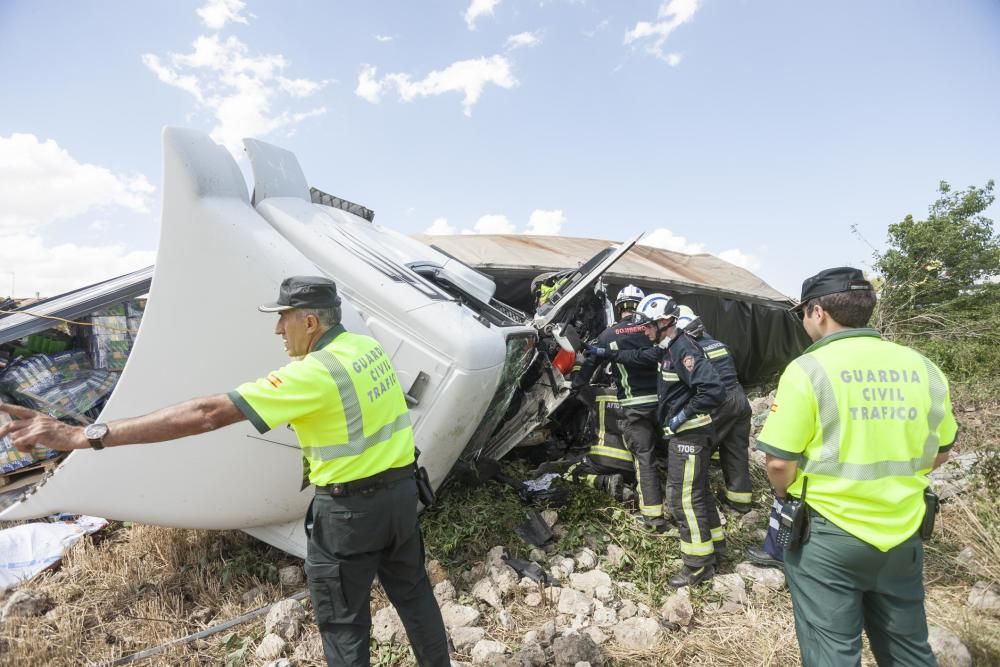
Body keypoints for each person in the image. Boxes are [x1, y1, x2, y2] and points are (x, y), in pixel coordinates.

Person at [0, 276, 451, 667]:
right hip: (401, 495)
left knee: (343, 623)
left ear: (310, 322)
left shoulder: (312, 375)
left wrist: (83, 435)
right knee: (413, 595)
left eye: (284, 318)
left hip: (351, 515)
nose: (277, 328)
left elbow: (206, 413)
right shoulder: (365, 347)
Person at [756, 267, 957, 666]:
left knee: (832, 652)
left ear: (817, 312)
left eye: (802, 313)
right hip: (902, 531)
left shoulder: (808, 370)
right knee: (909, 649)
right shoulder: (923, 366)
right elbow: (942, 452)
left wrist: (784, 497)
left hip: (827, 535)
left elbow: (779, 462)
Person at [619, 294, 727, 586]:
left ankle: (696, 566)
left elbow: (713, 390)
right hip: (689, 434)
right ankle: (715, 549)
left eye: (647, 325)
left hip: (690, 435)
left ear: (664, 322)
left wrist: (682, 415)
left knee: (682, 501)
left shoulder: (683, 350)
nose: (643, 330)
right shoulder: (668, 349)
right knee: (700, 493)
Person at [574, 284, 666, 530]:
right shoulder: (653, 330)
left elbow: (590, 365)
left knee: (643, 458)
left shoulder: (608, 335)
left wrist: (575, 385)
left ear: (619, 307)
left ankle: (653, 517)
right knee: (670, 455)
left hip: (634, 405)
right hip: (664, 402)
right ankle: (678, 505)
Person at [676, 306, 753, 514]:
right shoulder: (717, 343)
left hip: (720, 402)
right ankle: (740, 501)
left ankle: (699, 496)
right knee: (736, 450)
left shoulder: (692, 350)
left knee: (699, 447)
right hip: (740, 398)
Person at [562, 386, 636, 502]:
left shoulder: (596, 393)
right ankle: (625, 489)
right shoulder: (640, 396)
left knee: (568, 471)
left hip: (602, 461)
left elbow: (577, 390)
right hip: (632, 465)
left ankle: (604, 482)